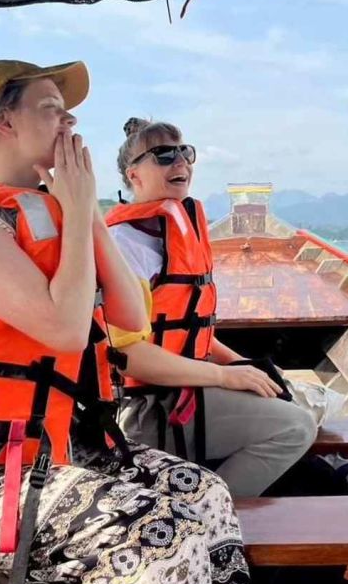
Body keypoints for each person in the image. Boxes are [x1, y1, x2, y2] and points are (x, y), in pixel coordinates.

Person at [0, 61, 252, 584]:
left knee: (204, 492)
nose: (69, 121)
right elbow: (65, 331)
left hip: (61, 453)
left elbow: (131, 317)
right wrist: (79, 206)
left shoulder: (62, 213)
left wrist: (83, 212)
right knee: (157, 531)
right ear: (3, 122)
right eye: (50, 109)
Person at [102, 117, 317, 498]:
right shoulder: (125, 245)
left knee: (294, 400)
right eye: (163, 155)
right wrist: (223, 377)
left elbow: (190, 334)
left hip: (185, 388)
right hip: (148, 409)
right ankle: (202, 512)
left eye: (184, 152)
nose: (180, 162)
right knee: (295, 428)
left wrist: (244, 366)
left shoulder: (176, 232)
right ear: (134, 175)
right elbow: (127, 356)